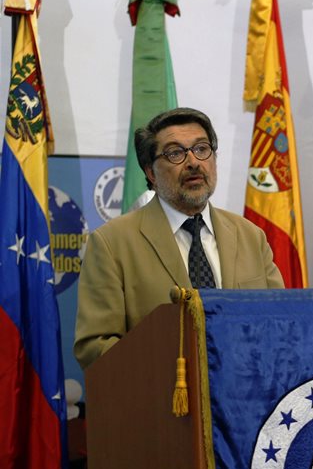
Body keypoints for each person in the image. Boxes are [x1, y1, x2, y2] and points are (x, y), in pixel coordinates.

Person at [74, 108, 283, 368]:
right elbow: (95, 346)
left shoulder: (251, 236)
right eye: (175, 153)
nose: (193, 162)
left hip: (246, 398)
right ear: (151, 172)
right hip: (163, 400)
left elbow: (280, 323)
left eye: (202, 149)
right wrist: (177, 368)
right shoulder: (112, 243)